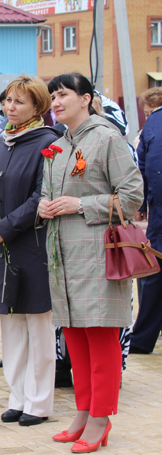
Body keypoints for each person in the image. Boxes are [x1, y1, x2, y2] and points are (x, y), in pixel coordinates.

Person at [38, 73, 143, 451]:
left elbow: (132, 196)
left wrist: (81, 205)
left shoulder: (107, 138)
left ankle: (101, 418)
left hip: (98, 255)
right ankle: (82, 413)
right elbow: (49, 192)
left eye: (63, 94)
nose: (56, 101)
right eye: (53, 96)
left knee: (100, 339)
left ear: (86, 98)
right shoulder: (59, 145)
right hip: (63, 257)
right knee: (74, 340)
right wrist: (44, 205)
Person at [0, 76, 59, 426]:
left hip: (31, 245)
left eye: (19, 102)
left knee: (38, 326)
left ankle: (39, 403)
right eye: (8, 101)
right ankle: (17, 396)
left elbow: (42, 195)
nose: (10, 108)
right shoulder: (2, 141)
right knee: (10, 323)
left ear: (38, 107)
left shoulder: (47, 142)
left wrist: (7, 226)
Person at [131, 87, 162, 354]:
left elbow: (144, 167)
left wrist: (142, 204)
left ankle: (141, 339)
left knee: (152, 272)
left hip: (159, 211)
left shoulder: (153, 124)